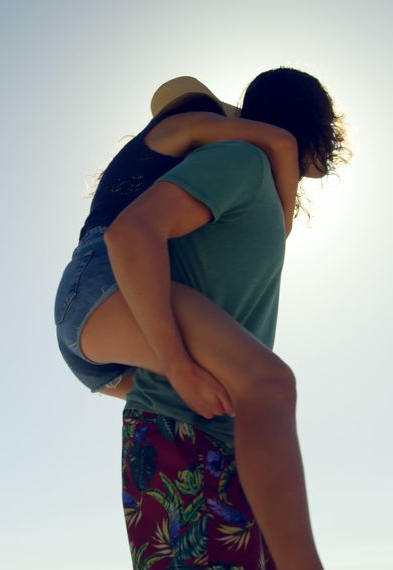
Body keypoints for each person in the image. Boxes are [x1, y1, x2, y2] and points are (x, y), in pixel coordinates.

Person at [54, 68, 346, 568]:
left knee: (253, 386)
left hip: (201, 438)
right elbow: (129, 236)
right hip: (108, 304)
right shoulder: (238, 160)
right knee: (267, 383)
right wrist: (180, 364)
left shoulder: (250, 181)